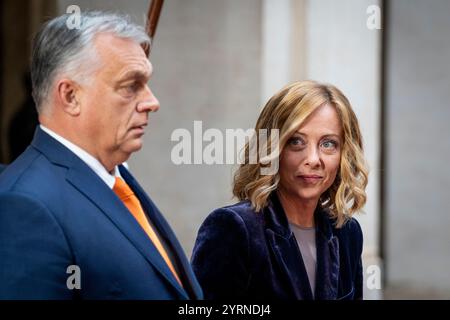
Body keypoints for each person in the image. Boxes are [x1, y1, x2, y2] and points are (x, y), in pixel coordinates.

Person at [0, 11, 202, 300]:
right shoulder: (24, 205)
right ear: (70, 96)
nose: (152, 102)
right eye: (131, 85)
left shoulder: (117, 178)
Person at [191, 80, 368, 300]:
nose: (313, 159)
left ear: (344, 154)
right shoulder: (235, 228)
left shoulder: (347, 233)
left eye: (328, 144)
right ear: (272, 149)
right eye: (296, 141)